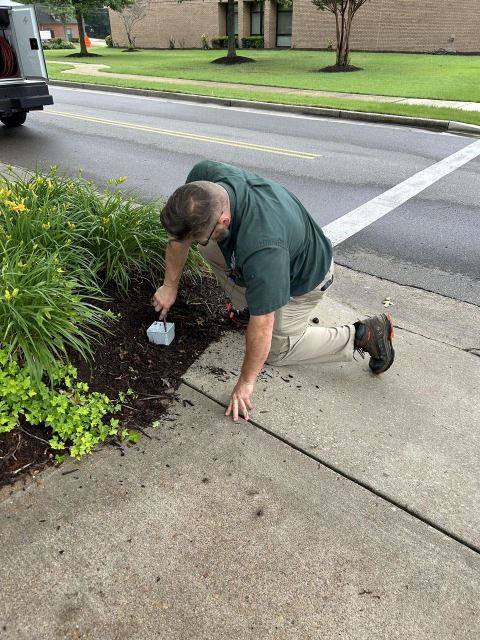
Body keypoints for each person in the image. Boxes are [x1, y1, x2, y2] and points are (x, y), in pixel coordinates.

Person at [153, 160, 394, 422]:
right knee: (208, 245)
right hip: (274, 261)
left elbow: (263, 324)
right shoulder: (203, 184)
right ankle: (252, 299)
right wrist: (169, 286)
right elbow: (180, 239)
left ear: (224, 219)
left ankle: (364, 334)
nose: (189, 242)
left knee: (277, 351)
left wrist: (245, 382)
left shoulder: (262, 247)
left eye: (203, 234)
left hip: (304, 281)